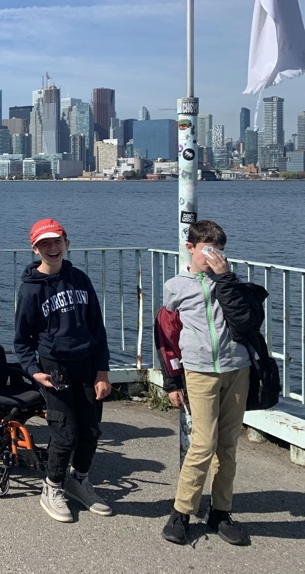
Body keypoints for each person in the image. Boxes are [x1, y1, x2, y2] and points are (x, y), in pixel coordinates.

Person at [158, 220, 252, 546]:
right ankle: (181, 512)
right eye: (207, 250)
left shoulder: (230, 280)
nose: (213, 257)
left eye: (219, 251)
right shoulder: (175, 286)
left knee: (228, 445)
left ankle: (220, 511)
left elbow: (244, 319)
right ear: (191, 248)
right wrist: (172, 381)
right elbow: (167, 335)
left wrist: (225, 278)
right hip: (198, 371)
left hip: (237, 368)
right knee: (203, 444)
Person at [14, 218, 112, 523]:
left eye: (57, 241)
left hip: (86, 363)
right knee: (65, 432)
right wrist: (33, 370)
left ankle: (78, 479)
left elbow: (97, 327)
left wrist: (102, 370)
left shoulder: (80, 279)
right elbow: (21, 340)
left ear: (67, 243)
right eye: (45, 244)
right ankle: (52, 486)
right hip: (54, 367)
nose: (52, 248)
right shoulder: (30, 290)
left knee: (91, 429)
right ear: (35, 248)